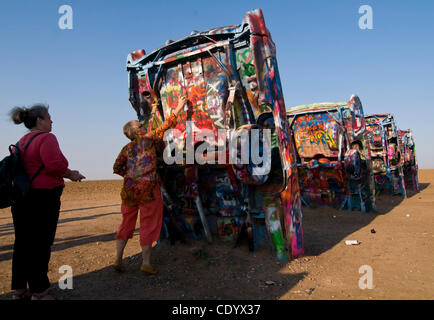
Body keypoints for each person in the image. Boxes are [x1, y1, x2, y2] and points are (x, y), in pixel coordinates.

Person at [9, 104, 85, 300]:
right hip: (43, 198)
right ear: (39, 120)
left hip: (21, 198)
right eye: (48, 117)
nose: (52, 121)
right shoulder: (47, 138)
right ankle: (39, 292)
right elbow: (54, 166)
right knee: (40, 244)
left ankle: (19, 290)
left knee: (23, 243)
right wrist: (72, 174)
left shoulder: (22, 141)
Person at [113, 95, 188, 275]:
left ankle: (117, 260)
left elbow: (116, 167)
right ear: (137, 132)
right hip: (148, 189)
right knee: (148, 223)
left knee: (126, 223)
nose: (142, 126)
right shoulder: (148, 140)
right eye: (140, 125)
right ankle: (146, 262)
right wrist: (179, 106)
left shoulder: (126, 148)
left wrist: (131, 175)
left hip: (129, 190)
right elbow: (165, 124)